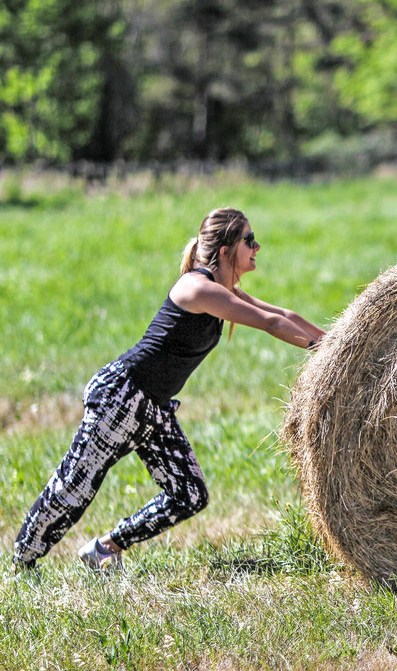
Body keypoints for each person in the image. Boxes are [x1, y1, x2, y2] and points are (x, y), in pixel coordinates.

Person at [12, 207, 326, 573]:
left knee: (189, 495)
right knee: (74, 489)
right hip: (122, 397)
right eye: (249, 240)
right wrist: (322, 349)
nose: (257, 247)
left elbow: (283, 314)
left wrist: (338, 345)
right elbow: (271, 323)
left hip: (153, 408)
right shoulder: (197, 287)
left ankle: (103, 549)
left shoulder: (225, 290)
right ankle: (21, 564)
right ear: (225, 251)